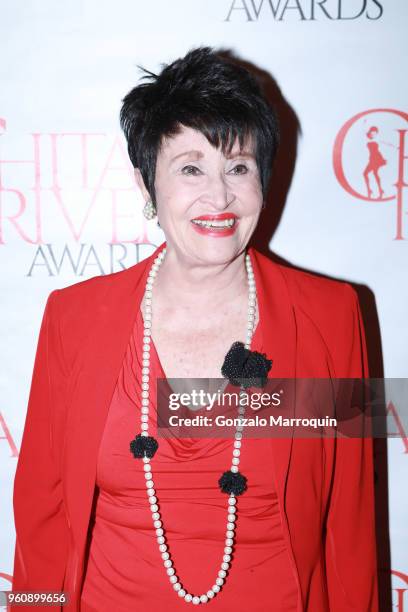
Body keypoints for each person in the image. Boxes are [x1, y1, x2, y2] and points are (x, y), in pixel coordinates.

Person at [12, 46, 379, 611]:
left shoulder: (332, 314)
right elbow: (42, 515)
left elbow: (348, 523)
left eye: (239, 167)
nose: (220, 197)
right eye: (190, 168)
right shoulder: (74, 317)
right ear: (146, 185)